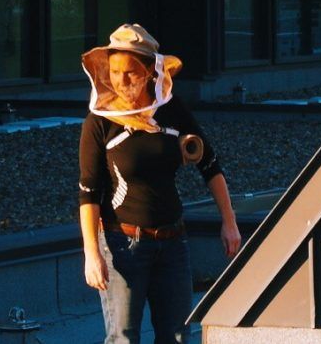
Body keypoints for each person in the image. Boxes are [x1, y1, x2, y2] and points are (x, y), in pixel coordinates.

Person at [77, 22, 242, 344]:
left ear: (150, 72)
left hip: (173, 241)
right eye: (113, 72)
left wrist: (230, 221)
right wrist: (91, 254)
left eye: (130, 72)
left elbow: (210, 164)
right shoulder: (99, 123)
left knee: (178, 335)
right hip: (123, 244)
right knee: (123, 337)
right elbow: (88, 191)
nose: (121, 81)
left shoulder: (172, 110)